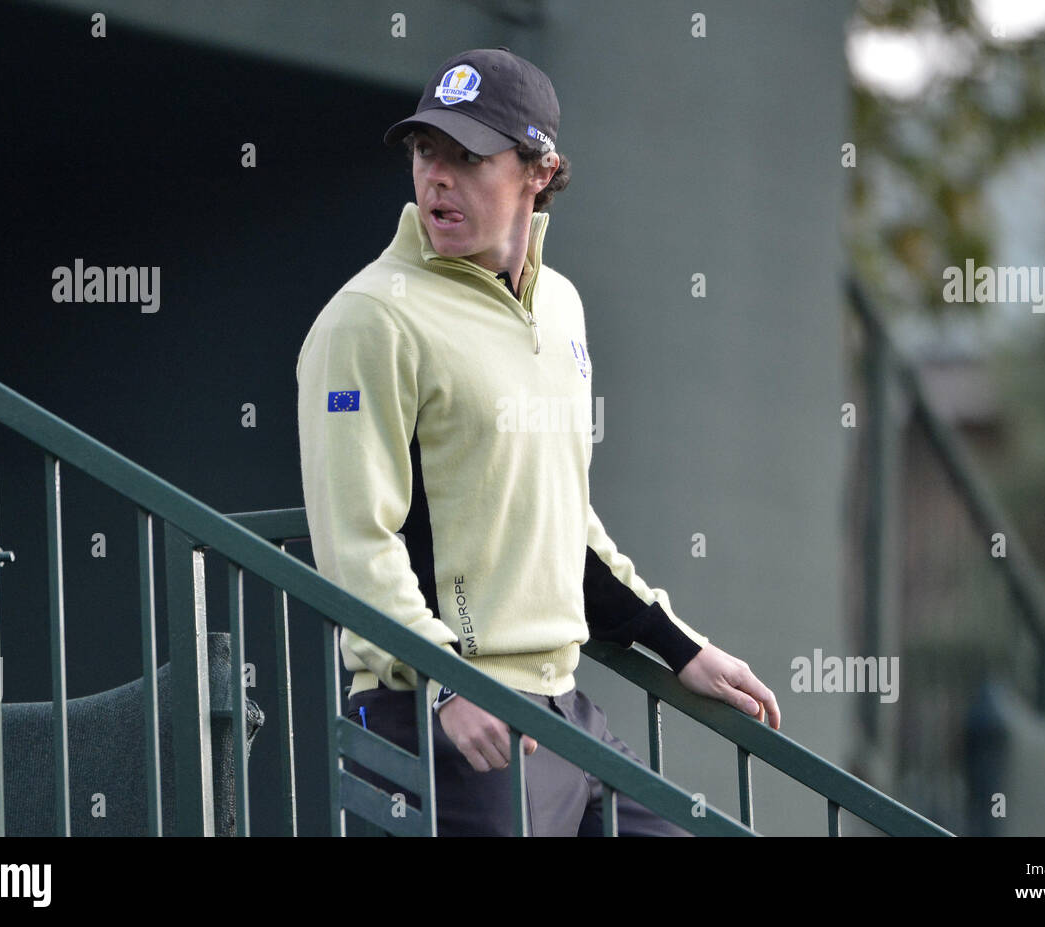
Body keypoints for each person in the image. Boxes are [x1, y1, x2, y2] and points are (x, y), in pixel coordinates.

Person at [296, 46, 780, 836]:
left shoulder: (560, 306)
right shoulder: (367, 318)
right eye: (426, 151)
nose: (437, 177)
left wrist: (676, 644)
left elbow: (563, 520)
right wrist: (444, 687)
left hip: (566, 713)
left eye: (467, 155)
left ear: (539, 169)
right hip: (441, 722)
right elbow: (355, 538)